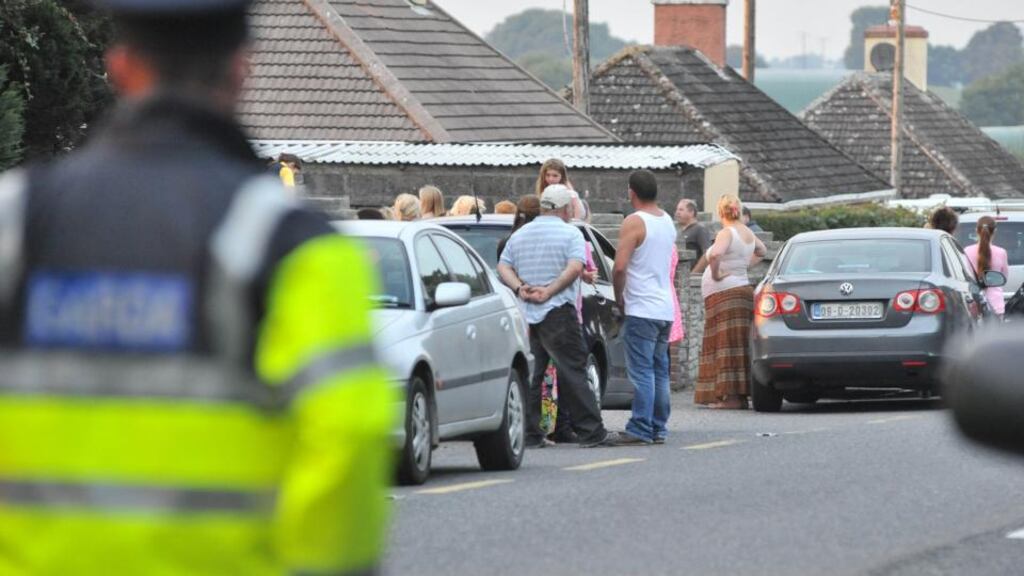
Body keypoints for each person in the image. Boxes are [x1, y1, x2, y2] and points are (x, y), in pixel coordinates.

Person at [0, 1, 393, 574]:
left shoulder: (16, 218)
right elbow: (350, 429)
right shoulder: (293, 244)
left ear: (120, 68)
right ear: (241, 70)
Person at [498, 185, 620, 448]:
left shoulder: (520, 235)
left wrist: (520, 288)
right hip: (558, 312)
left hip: (526, 312)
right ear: (564, 208)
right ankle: (591, 431)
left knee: (532, 374)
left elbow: (503, 265)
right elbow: (576, 267)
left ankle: (530, 433)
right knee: (573, 370)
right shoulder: (570, 234)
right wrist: (550, 291)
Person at [613, 170, 678, 445]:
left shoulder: (634, 222)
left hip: (641, 307)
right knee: (660, 370)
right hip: (665, 307)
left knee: (641, 371)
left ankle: (640, 426)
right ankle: (658, 427)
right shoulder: (667, 221)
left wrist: (620, 299)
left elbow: (619, 267)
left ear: (632, 192)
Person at [695, 195, 767, 409]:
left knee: (726, 344)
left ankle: (731, 398)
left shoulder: (727, 232)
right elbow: (762, 252)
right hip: (740, 290)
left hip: (725, 293)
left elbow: (715, 254)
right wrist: (742, 267)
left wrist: (716, 275)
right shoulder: (747, 232)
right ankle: (738, 396)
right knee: (737, 344)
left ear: (721, 213)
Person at [965, 216, 1009, 318]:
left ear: (977, 230)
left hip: (974, 304)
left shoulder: (967, 251)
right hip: (996, 305)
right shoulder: (1001, 252)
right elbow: (1004, 278)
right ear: (995, 231)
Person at [675, 198, 713, 274]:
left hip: (692, 279)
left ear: (691, 212)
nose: (677, 212)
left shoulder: (700, 229)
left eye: (681, 210)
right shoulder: (679, 232)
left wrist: (694, 273)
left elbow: (708, 253)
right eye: (677, 209)